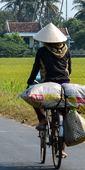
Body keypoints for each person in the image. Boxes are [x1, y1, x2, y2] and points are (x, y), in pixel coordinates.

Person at [27, 23, 71, 155]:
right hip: (64, 83)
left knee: (33, 97)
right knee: (64, 112)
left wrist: (30, 81)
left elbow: (36, 68)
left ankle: (42, 119)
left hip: (48, 83)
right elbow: (70, 69)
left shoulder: (42, 51)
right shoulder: (66, 49)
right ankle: (62, 149)